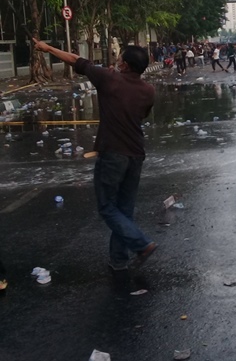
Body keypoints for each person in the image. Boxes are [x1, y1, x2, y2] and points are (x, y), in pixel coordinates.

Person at [33, 39, 158, 272]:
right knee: (124, 209)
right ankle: (119, 260)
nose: (117, 61)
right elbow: (141, 115)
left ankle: (142, 244)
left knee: (107, 207)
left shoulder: (109, 78)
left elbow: (76, 60)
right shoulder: (148, 90)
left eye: (120, 59)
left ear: (126, 65)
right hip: (136, 153)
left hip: (113, 153)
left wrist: (47, 48)